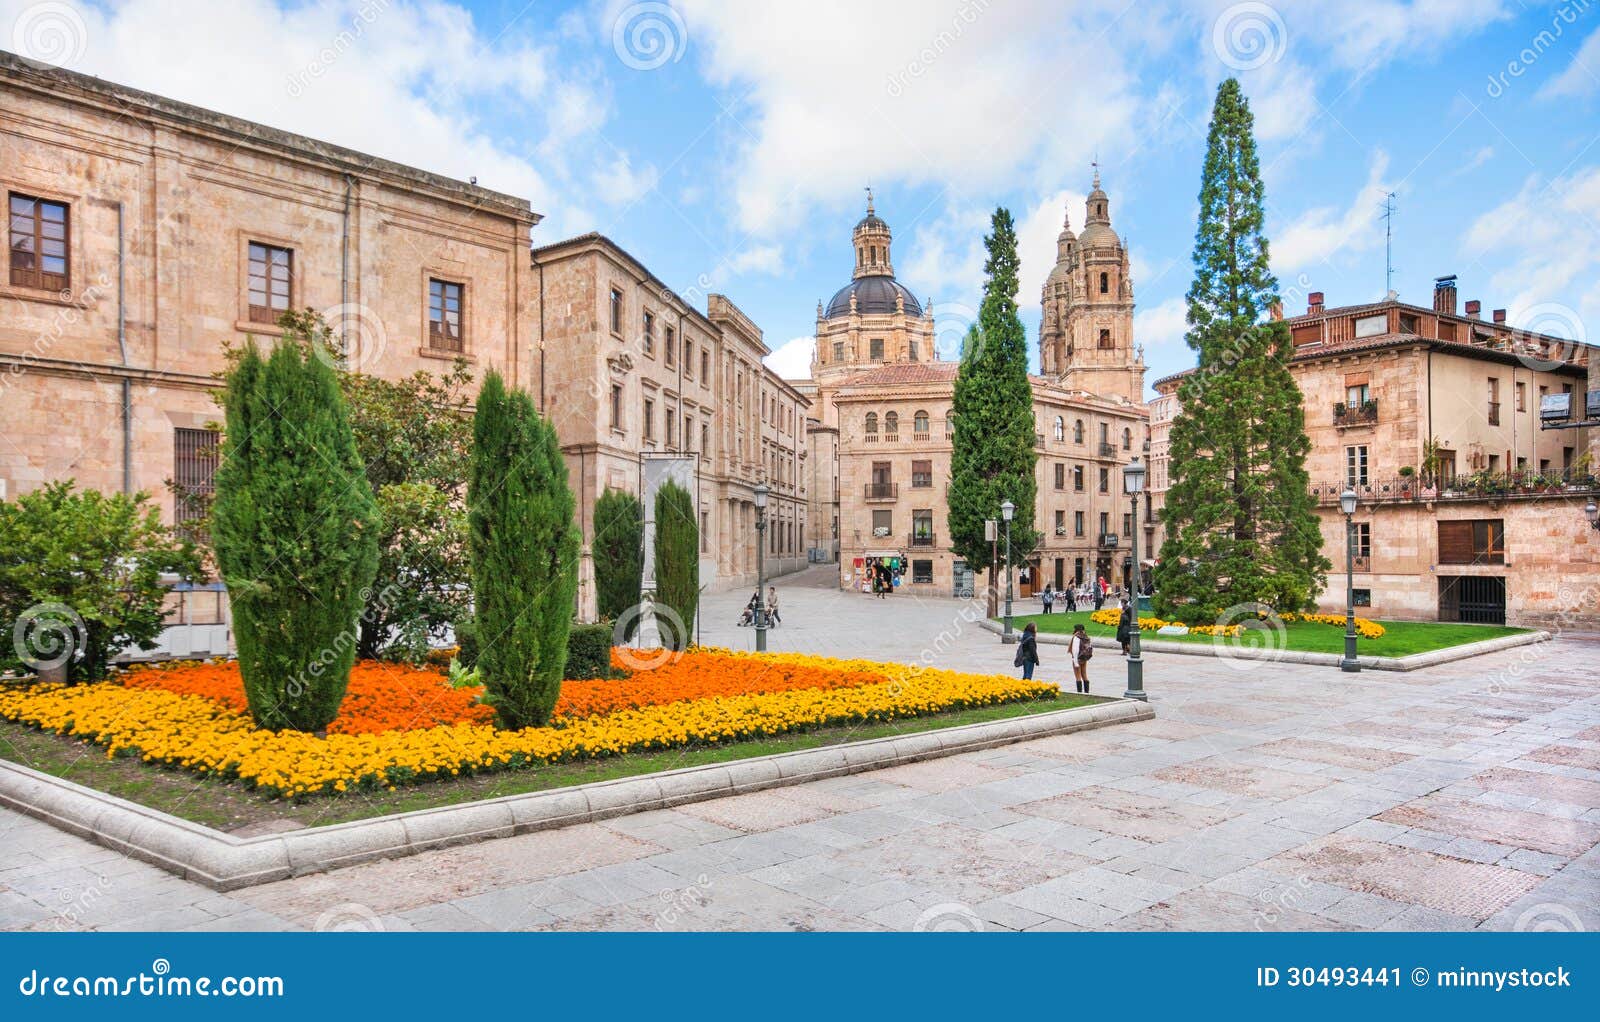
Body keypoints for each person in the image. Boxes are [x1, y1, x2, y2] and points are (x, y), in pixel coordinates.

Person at [1069, 623, 1092, 693]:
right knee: (1084, 675)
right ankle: (1087, 692)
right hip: (1084, 658)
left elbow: (1075, 651)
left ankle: (1079, 693)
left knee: (1078, 676)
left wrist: (1075, 662)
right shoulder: (1086, 636)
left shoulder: (1076, 637)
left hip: (1077, 658)